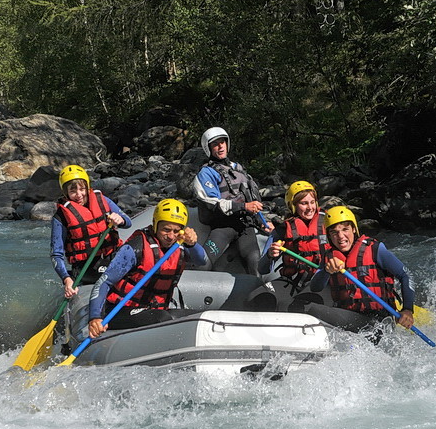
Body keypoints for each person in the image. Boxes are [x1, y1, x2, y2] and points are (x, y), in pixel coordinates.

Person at [87, 199, 207, 336]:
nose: (171, 236)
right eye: (166, 230)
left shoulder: (180, 245)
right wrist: (95, 317)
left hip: (154, 310)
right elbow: (105, 282)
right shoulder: (136, 247)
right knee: (162, 318)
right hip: (119, 311)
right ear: (155, 225)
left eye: (176, 231)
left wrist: (192, 244)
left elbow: (202, 261)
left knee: (202, 317)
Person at [295, 205, 416, 335]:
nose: (340, 236)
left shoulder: (375, 249)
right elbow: (315, 287)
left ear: (354, 229)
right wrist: (326, 271)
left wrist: (407, 309)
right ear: (329, 235)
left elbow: (406, 275)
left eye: (345, 229)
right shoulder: (329, 257)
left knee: (309, 309)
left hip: (379, 320)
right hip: (351, 317)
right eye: (334, 232)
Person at [191, 126, 273, 275]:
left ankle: (259, 294)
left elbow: (252, 200)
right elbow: (213, 203)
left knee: (255, 263)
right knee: (204, 264)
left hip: (245, 226)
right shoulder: (205, 174)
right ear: (208, 148)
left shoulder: (238, 169)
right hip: (223, 226)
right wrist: (243, 206)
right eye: (215, 144)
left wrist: (263, 222)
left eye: (222, 142)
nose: (220, 146)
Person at [50, 164, 132, 298]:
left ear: (88, 187)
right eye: (73, 191)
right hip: (86, 270)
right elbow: (56, 254)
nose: (79, 195)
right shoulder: (60, 217)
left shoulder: (103, 201)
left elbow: (128, 222)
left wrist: (120, 220)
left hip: (112, 261)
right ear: (65, 193)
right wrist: (66, 279)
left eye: (82, 189)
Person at [258, 180, 328, 294]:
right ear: (293, 205)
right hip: (291, 281)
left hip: (321, 282)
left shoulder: (328, 223)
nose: (310, 207)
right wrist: (270, 255)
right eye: (304, 203)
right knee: (256, 298)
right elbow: (262, 269)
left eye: (312, 202)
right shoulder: (282, 229)